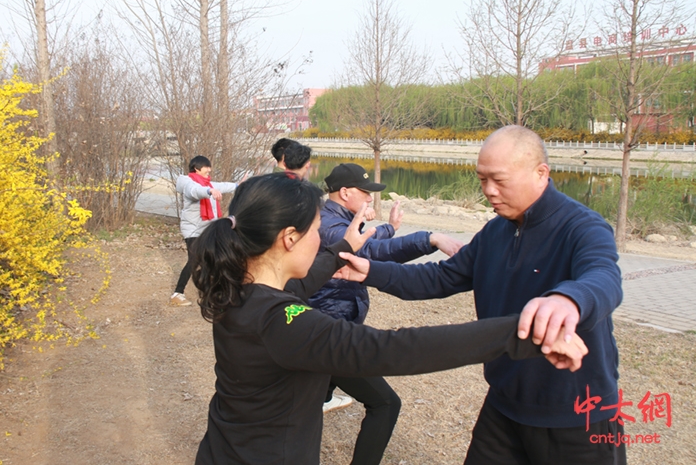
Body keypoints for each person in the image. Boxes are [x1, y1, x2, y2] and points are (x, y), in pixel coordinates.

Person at [189, 172, 588, 465]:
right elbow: (393, 349)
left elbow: (307, 279)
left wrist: (347, 245)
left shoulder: (241, 290)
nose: (319, 238)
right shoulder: (285, 322)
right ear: (289, 238)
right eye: (315, 230)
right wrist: (522, 332)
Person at [335, 125, 624, 465]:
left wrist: (569, 299)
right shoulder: (495, 231)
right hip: (504, 403)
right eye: (482, 179)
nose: (488, 191)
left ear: (541, 173)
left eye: (499, 180)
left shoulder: (582, 226)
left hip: (576, 412)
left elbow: (604, 277)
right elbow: (442, 277)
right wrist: (372, 271)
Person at [312, 163, 466, 464]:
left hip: (332, 327)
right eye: (365, 193)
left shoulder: (337, 219)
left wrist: (392, 227)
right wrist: (430, 238)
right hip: (328, 332)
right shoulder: (329, 226)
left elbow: (370, 236)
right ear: (344, 193)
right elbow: (372, 251)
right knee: (386, 403)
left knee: (310, 395)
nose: (370, 199)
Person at [170, 156, 238, 307]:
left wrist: (239, 185)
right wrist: (209, 191)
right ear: (197, 169)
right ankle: (177, 293)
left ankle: (216, 289)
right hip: (193, 230)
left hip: (207, 229)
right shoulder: (189, 183)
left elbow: (223, 186)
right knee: (195, 260)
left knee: (215, 256)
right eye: (206, 167)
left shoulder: (207, 183)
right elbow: (195, 191)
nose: (209, 170)